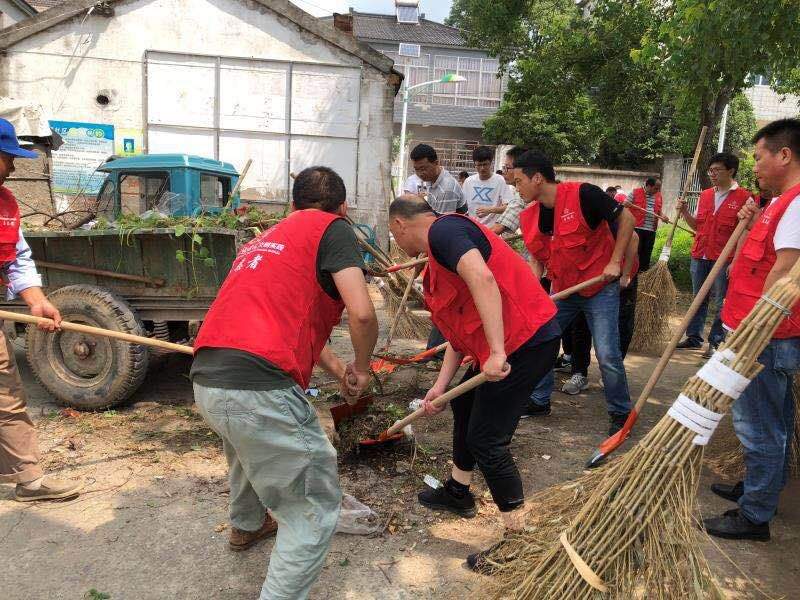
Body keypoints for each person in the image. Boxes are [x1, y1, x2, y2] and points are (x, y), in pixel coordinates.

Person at [191, 166, 378, 599]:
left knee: (245, 443)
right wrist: (363, 368)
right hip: (258, 385)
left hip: (209, 378)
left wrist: (339, 372)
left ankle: (248, 525)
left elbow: (292, 326)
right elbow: (363, 313)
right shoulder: (333, 229)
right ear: (343, 208)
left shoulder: (266, 240)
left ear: (293, 205)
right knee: (313, 509)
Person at [388, 196, 560, 571]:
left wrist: (497, 351)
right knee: (464, 405)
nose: (396, 242)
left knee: (487, 439)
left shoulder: (445, 231)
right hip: (506, 344)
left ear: (400, 224)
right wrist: (441, 385)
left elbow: (483, 278)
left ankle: (520, 540)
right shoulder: (438, 256)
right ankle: (458, 491)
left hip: (525, 342)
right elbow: (460, 331)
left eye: (393, 234)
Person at [703, 118, 800, 542]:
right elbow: (751, 262)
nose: (754, 166)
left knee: (759, 427)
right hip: (753, 329)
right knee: (770, 421)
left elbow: (782, 274)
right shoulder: (778, 203)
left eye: (759, 157)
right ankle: (762, 488)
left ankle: (755, 514)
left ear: (784, 155)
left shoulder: (797, 204)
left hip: (765, 337)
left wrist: (748, 334)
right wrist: (749, 220)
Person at [514, 150, 635, 435]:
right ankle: (540, 400)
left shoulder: (584, 195)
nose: (516, 187)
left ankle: (621, 412)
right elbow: (537, 261)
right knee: (542, 342)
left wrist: (616, 261)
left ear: (538, 178)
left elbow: (628, 220)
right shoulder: (530, 215)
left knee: (606, 354)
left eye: (519, 181)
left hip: (598, 287)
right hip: (564, 290)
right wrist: (533, 298)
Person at [0, 118, 82, 502]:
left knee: (7, 396)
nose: (14, 166)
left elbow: (16, 258)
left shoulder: (7, 204)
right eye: (7, 157)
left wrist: (36, 300)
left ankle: (29, 480)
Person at [676, 152, 752, 356]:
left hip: (723, 258)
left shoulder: (745, 197)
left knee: (721, 302)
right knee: (697, 298)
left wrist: (735, 260)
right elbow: (698, 226)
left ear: (731, 170)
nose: (712, 174)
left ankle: (716, 342)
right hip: (700, 255)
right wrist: (684, 212)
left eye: (717, 170)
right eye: (710, 170)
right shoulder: (705, 195)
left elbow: (744, 232)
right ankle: (694, 337)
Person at [408, 144, 467, 215]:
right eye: (416, 169)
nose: (420, 173)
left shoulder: (447, 189)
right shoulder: (430, 179)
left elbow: (443, 223)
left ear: (436, 163)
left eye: (423, 169)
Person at [624, 177, 668, 271]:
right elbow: (625, 204)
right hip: (636, 229)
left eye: (658, 188)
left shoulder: (658, 196)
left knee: (646, 254)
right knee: (634, 253)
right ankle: (631, 275)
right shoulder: (635, 192)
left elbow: (658, 211)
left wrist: (663, 216)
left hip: (651, 230)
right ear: (648, 186)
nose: (658, 190)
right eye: (656, 188)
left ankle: (643, 276)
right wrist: (627, 204)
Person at [463, 146, 512, 226]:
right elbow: (464, 206)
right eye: (479, 165)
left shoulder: (500, 180)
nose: (482, 168)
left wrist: (490, 210)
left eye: (485, 164)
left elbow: (508, 207)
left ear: (491, 163)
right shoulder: (468, 181)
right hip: (472, 228)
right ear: (475, 164)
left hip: (492, 230)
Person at [490, 146, 528, 237]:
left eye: (507, 167)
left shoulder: (523, 196)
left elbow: (497, 229)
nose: (504, 172)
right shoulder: (518, 193)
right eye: (503, 167)